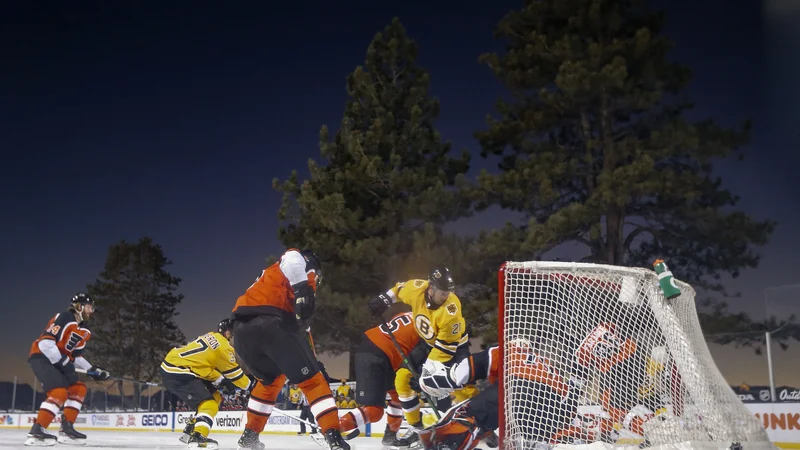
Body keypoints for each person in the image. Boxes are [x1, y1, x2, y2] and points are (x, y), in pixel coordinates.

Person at [231, 248, 348, 450]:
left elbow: (303, 332)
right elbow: (292, 256)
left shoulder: (270, 279)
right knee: (313, 382)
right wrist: (303, 288)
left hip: (241, 332)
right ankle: (334, 438)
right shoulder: (299, 264)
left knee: (270, 382)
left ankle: (250, 435)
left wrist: (313, 360)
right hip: (271, 322)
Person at [368, 267, 477, 433]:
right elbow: (398, 290)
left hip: (453, 347)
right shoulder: (417, 289)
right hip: (428, 343)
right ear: (431, 288)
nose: (446, 296)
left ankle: (480, 422)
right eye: (443, 293)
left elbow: (445, 350)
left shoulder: (451, 310)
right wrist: (384, 299)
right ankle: (417, 428)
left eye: (448, 292)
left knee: (460, 385)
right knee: (402, 379)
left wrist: (425, 377)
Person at [26, 293, 111, 446]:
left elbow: (76, 357)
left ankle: (66, 429)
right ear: (79, 307)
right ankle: (37, 431)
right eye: (89, 307)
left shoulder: (85, 330)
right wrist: (63, 360)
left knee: (78, 389)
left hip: (59, 361)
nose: (92, 310)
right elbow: (45, 344)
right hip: (42, 357)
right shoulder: (65, 317)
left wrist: (92, 369)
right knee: (59, 392)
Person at [160, 319, 252, 449]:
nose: (235, 339)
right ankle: (197, 437)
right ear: (227, 333)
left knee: (216, 397)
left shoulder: (210, 336)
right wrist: (251, 387)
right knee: (209, 405)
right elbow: (235, 375)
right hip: (180, 371)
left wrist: (222, 381)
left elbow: (203, 366)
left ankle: (191, 428)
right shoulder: (224, 347)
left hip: (177, 366)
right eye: (234, 335)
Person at [338, 311, 421, 447]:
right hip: (379, 354)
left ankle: (390, 436)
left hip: (379, 351)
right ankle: (334, 429)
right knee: (374, 411)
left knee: (398, 397)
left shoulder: (408, 313)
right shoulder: (430, 324)